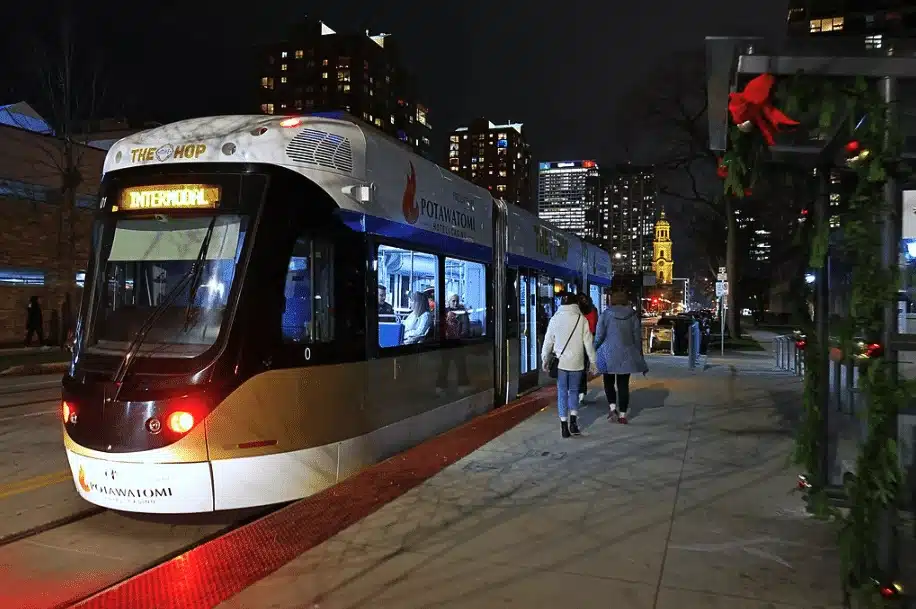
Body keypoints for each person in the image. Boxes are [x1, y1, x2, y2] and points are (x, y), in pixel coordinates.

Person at [541, 291, 598, 438]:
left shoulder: (555, 319)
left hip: (561, 363)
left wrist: (545, 358)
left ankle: (564, 426)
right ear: (575, 304)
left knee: (561, 394)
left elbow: (548, 341)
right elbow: (588, 343)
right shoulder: (581, 319)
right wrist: (593, 361)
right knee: (573, 391)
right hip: (577, 363)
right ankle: (574, 422)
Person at [594, 290, 648, 424]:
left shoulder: (605, 315)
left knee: (608, 382)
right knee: (623, 385)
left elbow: (599, 336)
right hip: (627, 354)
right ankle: (623, 415)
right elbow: (637, 338)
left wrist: (592, 349)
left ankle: (612, 408)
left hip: (608, 354)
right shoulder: (632, 316)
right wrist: (639, 355)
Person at [577, 293, 599, 403]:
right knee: (582, 368)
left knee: (577, 367)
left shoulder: (577, 312)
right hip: (588, 341)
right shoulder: (593, 310)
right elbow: (594, 327)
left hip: (577, 342)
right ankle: (582, 390)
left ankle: (578, 390)